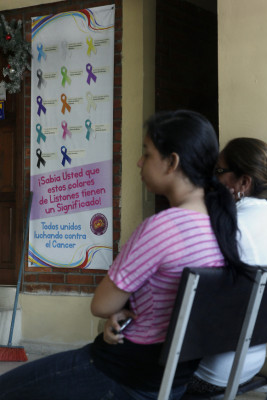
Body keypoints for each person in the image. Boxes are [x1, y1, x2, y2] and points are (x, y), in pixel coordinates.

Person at [0, 110, 249, 400]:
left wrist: (117, 310)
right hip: (171, 379)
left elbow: (102, 304)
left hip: (121, 374)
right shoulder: (221, 225)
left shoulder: (162, 227)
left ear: (172, 162)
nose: (139, 162)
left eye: (147, 153)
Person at [186, 137, 267, 394]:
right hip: (251, 362)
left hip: (209, 370)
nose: (213, 179)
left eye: (219, 171)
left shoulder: (225, 229)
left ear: (244, 182)